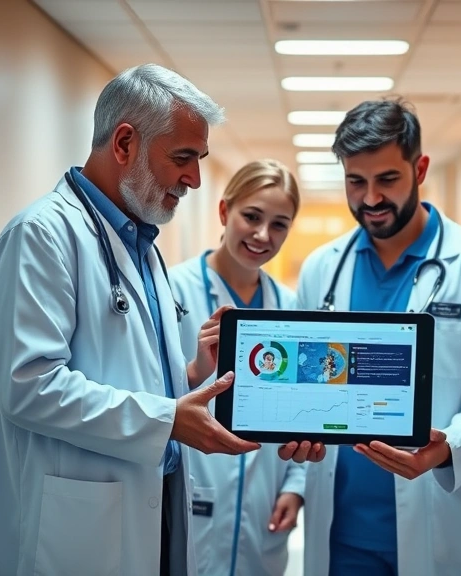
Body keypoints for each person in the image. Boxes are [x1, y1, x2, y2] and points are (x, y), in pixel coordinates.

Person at [0, 63, 260, 576]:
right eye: (183, 158)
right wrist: (170, 419)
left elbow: (125, 375)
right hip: (77, 533)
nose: (194, 179)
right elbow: (29, 386)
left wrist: (193, 374)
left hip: (155, 514)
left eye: (199, 160)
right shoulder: (41, 237)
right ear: (125, 143)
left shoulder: (141, 242)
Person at [278, 99, 461, 576]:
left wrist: (449, 445)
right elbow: (306, 383)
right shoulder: (322, 269)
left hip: (442, 516)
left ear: (420, 168)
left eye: (387, 180)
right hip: (343, 529)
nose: (371, 198)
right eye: (356, 182)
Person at [168, 159, 307, 576]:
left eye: (280, 224)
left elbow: (305, 408)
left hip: (264, 501)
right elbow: (148, 398)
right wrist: (195, 368)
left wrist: (296, 487)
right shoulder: (172, 290)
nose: (264, 235)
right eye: (252, 216)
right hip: (191, 486)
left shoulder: (290, 306)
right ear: (225, 212)